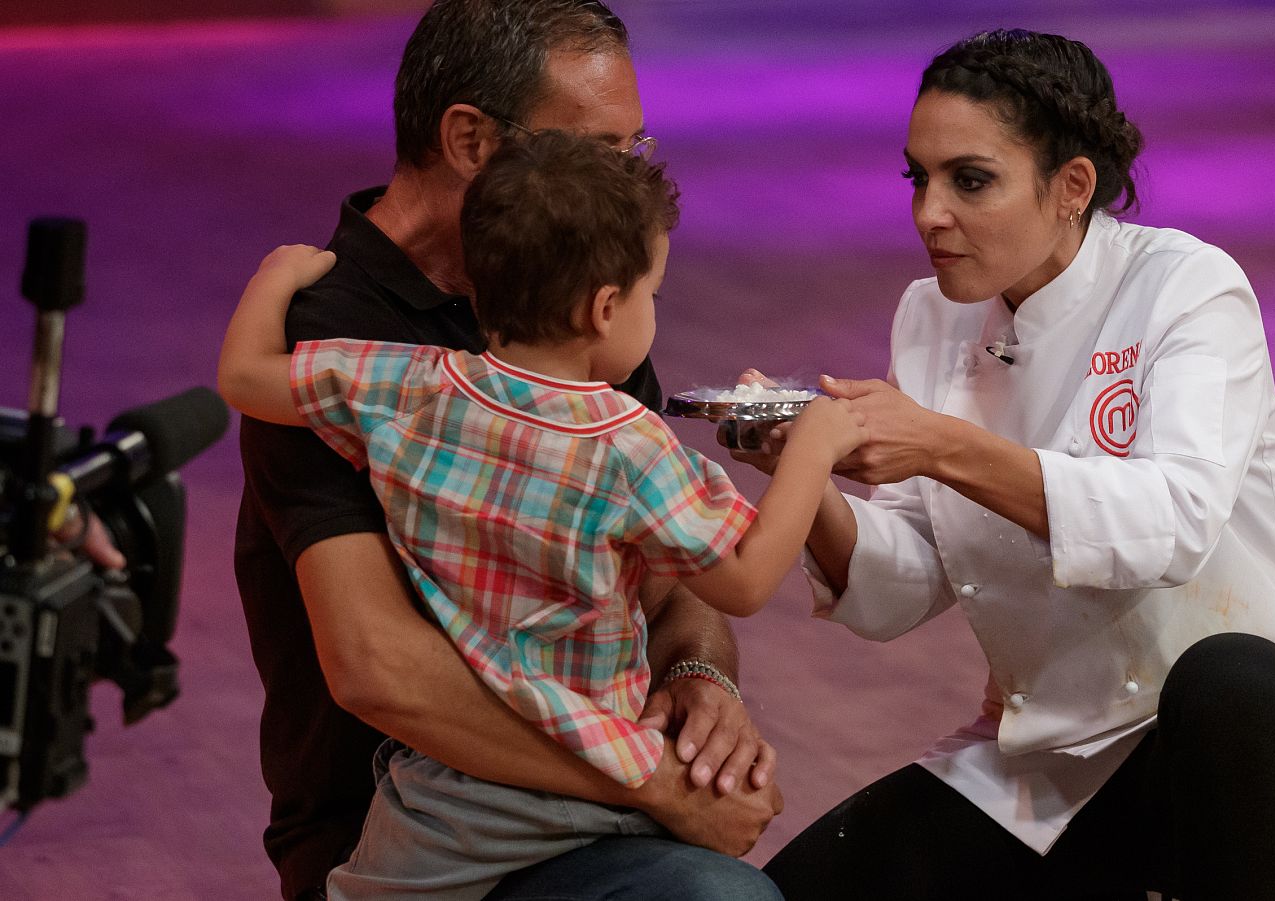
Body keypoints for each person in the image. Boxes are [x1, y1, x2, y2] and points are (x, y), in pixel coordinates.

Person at [749, 29, 1275, 901]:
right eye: (918, 177)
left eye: (969, 180)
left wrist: (940, 442)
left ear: (1072, 188)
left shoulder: (1187, 287)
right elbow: (902, 585)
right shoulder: (928, 316)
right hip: (1048, 764)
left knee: (1234, 677)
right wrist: (806, 476)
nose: (930, 212)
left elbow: (1173, 522)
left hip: (1243, 758)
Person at [220, 131, 863, 900]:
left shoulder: (411, 383)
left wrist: (277, 275)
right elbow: (749, 577)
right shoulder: (627, 445)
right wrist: (813, 447)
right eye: (651, 295)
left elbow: (245, 377)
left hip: (433, 805)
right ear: (603, 308)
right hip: (585, 792)